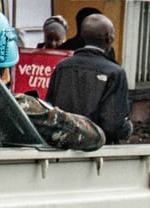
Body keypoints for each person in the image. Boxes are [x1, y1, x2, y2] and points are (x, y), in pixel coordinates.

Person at [47, 13, 132, 143]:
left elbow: (50, 108)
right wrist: (128, 128)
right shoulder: (115, 73)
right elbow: (113, 124)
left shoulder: (62, 67)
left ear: (82, 36)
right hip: (99, 150)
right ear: (110, 38)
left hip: (62, 144)